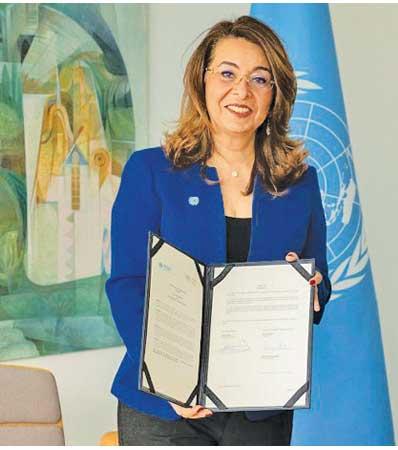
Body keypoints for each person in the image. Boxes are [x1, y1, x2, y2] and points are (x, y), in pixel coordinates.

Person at [106, 16, 331, 445]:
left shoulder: (300, 183)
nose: (241, 91)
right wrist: (166, 382)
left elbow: (320, 281)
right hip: (163, 407)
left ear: (275, 95)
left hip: (259, 408)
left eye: (259, 79)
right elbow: (128, 285)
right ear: (202, 82)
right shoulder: (152, 171)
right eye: (227, 73)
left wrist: (312, 286)